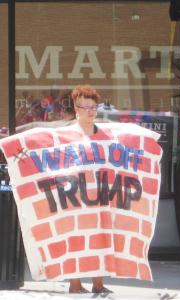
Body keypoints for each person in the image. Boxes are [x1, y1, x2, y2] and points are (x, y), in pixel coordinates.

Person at [67, 84, 112, 294]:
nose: (91, 111)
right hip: (74, 196)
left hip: (100, 194)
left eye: (94, 107)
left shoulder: (104, 133)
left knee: (99, 237)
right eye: (86, 107)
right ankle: (75, 284)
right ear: (76, 109)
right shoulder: (66, 134)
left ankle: (98, 283)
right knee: (76, 238)